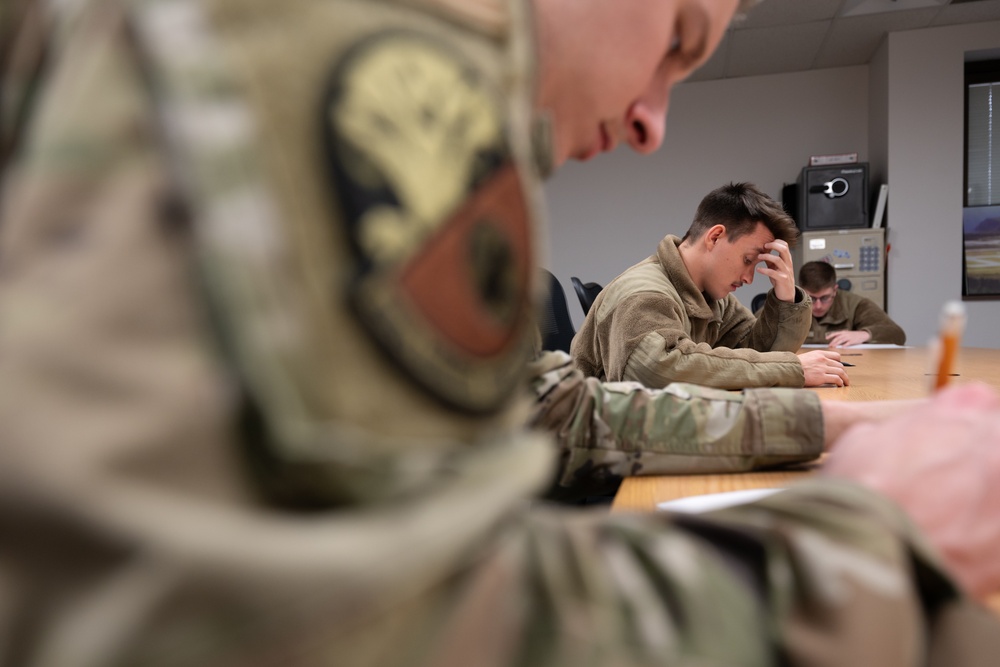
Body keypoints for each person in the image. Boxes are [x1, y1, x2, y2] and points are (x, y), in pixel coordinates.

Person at [2, 1, 999, 666]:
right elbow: (359, 629)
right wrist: (868, 546)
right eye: (675, 37)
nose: (654, 119)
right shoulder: (381, 49)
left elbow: (554, 405)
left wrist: (804, 420)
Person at [570, 182, 850, 390]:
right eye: (748, 260)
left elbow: (759, 352)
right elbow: (658, 369)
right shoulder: (644, 294)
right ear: (715, 237)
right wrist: (792, 369)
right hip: (600, 457)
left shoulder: (711, 297)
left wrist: (786, 299)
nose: (750, 278)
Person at [799, 260, 907, 347]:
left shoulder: (855, 304)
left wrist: (865, 334)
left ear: (835, 290)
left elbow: (897, 334)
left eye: (825, 298)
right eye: (811, 298)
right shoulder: (791, 304)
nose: (818, 306)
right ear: (801, 291)